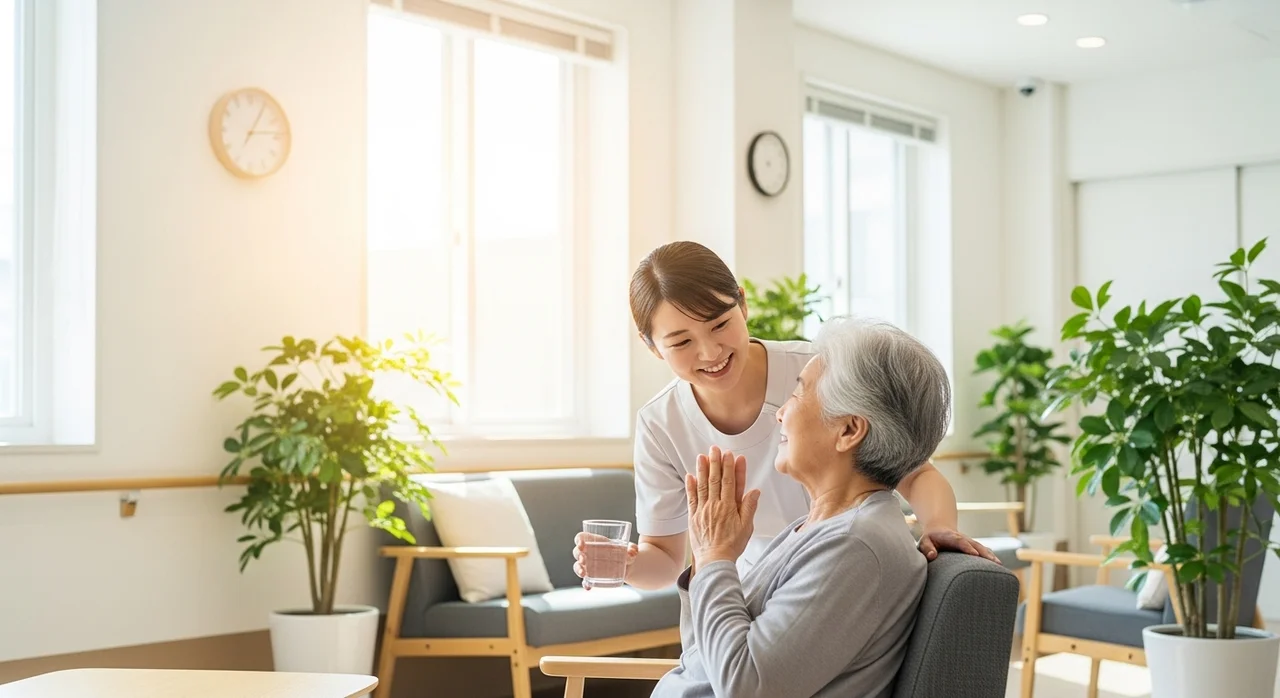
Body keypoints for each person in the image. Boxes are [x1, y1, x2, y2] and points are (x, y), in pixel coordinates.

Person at [573, 241, 995, 590]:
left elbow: (916, 473)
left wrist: (939, 527)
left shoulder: (815, 372)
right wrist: (625, 563)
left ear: (743, 304)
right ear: (652, 347)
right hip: (751, 598)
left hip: (841, 575)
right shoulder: (661, 424)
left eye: (720, 324)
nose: (710, 353)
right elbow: (665, 560)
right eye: (681, 342)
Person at [651, 316, 949, 698]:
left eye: (798, 393)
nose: (779, 412)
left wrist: (716, 557)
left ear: (848, 431)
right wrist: (706, 559)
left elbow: (746, 686)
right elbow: (701, 659)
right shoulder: (819, 526)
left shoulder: (854, 546)